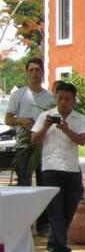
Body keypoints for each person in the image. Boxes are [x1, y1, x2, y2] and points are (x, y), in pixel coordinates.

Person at [30, 82, 85, 252]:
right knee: (55, 211)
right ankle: (63, 249)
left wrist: (67, 130)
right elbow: (34, 140)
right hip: (50, 168)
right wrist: (46, 127)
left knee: (69, 210)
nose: (63, 102)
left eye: (67, 99)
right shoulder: (45, 116)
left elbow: (82, 141)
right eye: (60, 98)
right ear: (55, 98)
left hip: (71, 169)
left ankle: (54, 244)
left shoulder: (79, 118)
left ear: (73, 100)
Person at [5, 57, 55, 236]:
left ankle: (43, 225)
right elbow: (7, 119)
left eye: (37, 70)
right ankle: (24, 224)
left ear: (42, 72)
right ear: (27, 73)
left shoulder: (50, 98)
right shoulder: (18, 95)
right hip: (23, 146)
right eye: (31, 70)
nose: (34, 73)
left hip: (43, 146)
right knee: (24, 185)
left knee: (43, 185)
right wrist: (20, 120)